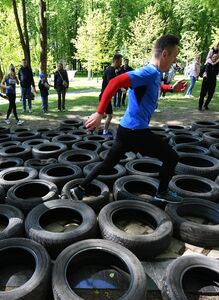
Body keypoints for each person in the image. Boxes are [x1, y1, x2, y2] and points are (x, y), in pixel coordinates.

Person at [69, 34, 187, 204]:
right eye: (174, 55)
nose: (175, 60)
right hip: (137, 132)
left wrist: (170, 88)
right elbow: (114, 82)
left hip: (125, 130)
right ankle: (162, 192)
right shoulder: (148, 72)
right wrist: (100, 113)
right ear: (165, 55)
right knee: (172, 157)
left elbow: (152, 86)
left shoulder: (152, 73)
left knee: (108, 164)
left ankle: (79, 189)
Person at [100, 54, 123, 137]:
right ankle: (104, 132)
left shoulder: (110, 69)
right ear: (116, 61)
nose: (121, 64)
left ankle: (96, 127)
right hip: (105, 97)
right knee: (109, 115)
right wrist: (120, 88)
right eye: (120, 62)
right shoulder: (111, 70)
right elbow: (111, 84)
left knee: (103, 114)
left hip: (105, 96)